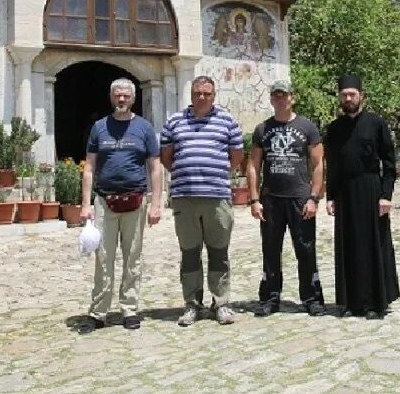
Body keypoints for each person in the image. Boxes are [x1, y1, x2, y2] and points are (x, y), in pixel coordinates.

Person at [160, 76, 244, 326]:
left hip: (217, 197)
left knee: (219, 252)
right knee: (190, 253)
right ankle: (192, 305)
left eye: (207, 94)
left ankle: (221, 303)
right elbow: (166, 157)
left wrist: (215, 174)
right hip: (185, 198)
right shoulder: (175, 121)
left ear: (214, 95)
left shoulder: (227, 121)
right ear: (191, 94)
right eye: (197, 93)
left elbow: (237, 156)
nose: (202, 98)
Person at [80, 79, 163, 331]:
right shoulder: (99, 128)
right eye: (118, 95)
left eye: (126, 96)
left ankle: (129, 309)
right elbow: (90, 167)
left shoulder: (145, 128)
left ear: (133, 99)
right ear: (111, 97)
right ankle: (99, 311)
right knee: (103, 258)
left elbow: (155, 168)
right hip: (105, 201)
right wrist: (86, 204)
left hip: (135, 200)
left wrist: (156, 203)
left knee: (132, 257)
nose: (122, 99)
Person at [247, 80, 326, 317]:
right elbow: (253, 164)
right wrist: (253, 199)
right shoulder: (262, 129)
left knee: (305, 249)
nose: (280, 100)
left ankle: (311, 297)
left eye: (284, 95)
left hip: (300, 198)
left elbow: (319, 164)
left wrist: (314, 197)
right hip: (271, 198)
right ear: (271, 99)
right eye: (276, 96)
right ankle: (270, 297)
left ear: (293, 98)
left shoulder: (307, 127)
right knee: (270, 249)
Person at [324, 74, 400, 318]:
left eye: (352, 94)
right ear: (339, 98)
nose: (348, 98)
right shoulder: (334, 129)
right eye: (344, 94)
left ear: (361, 96)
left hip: (370, 189)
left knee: (372, 244)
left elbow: (389, 161)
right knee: (348, 245)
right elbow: (333, 164)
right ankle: (350, 302)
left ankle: (374, 302)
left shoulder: (376, 123)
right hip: (345, 192)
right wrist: (331, 195)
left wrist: (386, 195)